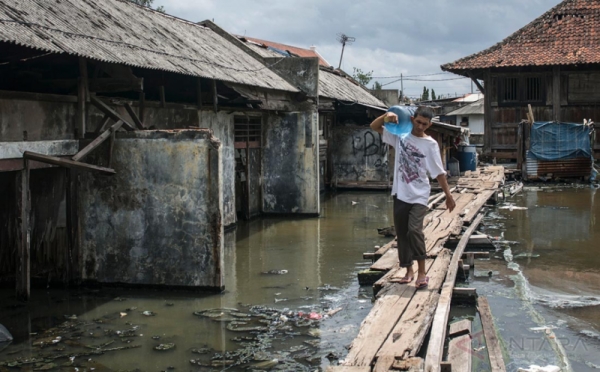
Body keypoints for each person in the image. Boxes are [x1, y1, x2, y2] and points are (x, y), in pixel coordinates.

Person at [370, 106, 455, 289]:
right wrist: (386, 116)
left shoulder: (430, 144)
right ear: (411, 119)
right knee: (401, 234)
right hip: (400, 193)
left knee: (414, 230)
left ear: (429, 124)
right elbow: (375, 126)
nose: (420, 126)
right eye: (418, 122)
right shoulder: (400, 136)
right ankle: (408, 270)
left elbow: (439, 173)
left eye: (425, 124)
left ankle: (422, 271)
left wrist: (448, 195)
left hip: (420, 195)